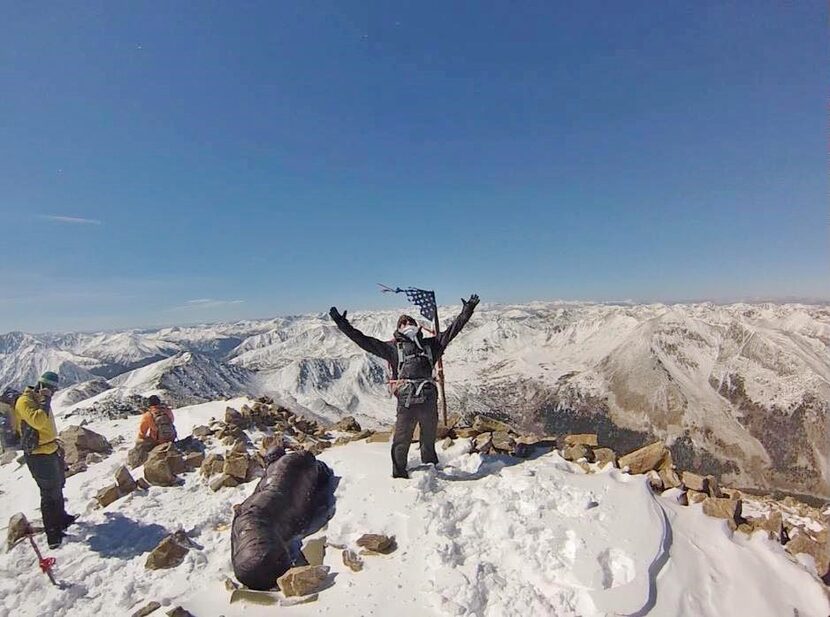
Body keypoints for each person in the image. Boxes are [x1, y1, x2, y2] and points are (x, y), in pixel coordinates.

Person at [329, 294, 479, 478]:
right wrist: (341, 323)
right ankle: (399, 477)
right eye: (403, 322)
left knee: (428, 439)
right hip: (407, 403)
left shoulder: (431, 345)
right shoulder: (392, 349)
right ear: (398, 329)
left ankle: (431, 471)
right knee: (401, 441)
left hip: (428, 401)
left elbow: (453, 330)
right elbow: (363, 340)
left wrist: (467, 310)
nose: (407, 323)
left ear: (416, 325)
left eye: (410, 320)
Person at [15, 371, 77, 548]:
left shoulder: (39, 400)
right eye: (51, 389)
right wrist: (45, 400)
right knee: (49, 493)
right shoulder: (25, 401)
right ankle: (53, 534)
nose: (52, 392)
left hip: (50, 449)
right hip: (38, 455)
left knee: (58, 486)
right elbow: (40, 422)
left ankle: (62, 518)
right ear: (42, 386)